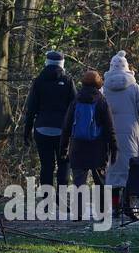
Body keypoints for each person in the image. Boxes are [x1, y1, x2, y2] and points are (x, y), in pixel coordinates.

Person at [103, 51, 139, 191]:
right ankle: (129, 202)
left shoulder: (103, 89)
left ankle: (114, 205)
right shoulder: (134, 88)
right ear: (126, 67)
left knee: (111, 168)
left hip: (107, 135)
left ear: (111, 67)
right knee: (130, 167)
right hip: (130, 135)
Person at [22, 50, 75, 188]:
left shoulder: (38, 81)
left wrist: (27, 131)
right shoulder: (68, 81)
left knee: (46, 165)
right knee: (64, 163)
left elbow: (31, 109)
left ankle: (46, 201)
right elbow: (75, 106)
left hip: (41, 128)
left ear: (46, 63)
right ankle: (62, 200)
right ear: (62, 64)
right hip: (62, 130)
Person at [60, 69, 117, 193]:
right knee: (100, 185)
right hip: (98, 149)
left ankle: (78, 212)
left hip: (78, 148)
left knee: (79, 186)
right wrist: (114, 148)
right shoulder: (102, 102)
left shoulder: (75, 101)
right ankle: (102, 211)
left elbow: (66, 127)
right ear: (98, 83)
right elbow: (109, 128)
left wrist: (63, 149)